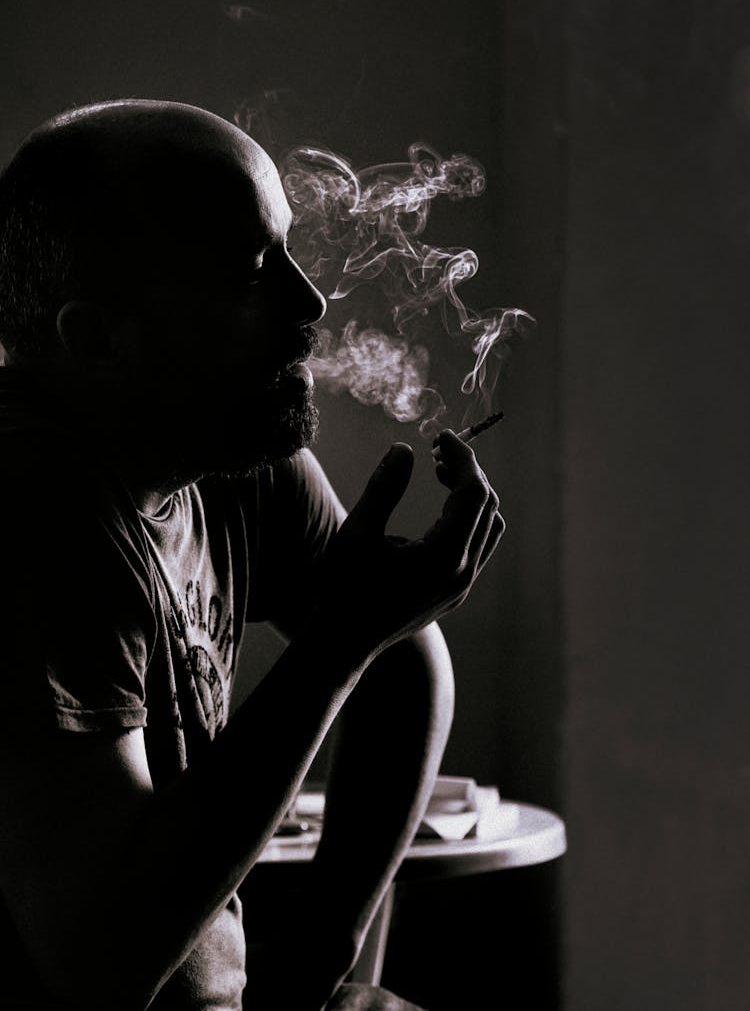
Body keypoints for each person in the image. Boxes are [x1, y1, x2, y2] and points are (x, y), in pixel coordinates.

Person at [0, 99, 504, 1011]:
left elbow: (403, 659)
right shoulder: (35, 509)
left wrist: (327, 942)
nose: (309, 305)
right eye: (249, 271)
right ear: (98, 339)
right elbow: (96, 967)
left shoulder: (224, 447)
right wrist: (340, 640)